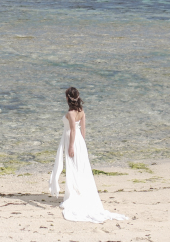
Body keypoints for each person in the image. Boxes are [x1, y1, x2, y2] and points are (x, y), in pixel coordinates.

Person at [49, 87, 128, 223]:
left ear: (68, 98)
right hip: (80, 141)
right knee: (79, 168)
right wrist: (81, 145)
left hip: (72, 140)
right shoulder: (81, 111)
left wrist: (71, 146)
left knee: (73, 168)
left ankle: (74, 194)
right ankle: (77, 190)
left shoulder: (71, 113)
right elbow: (82, 130)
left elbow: (73, 130)